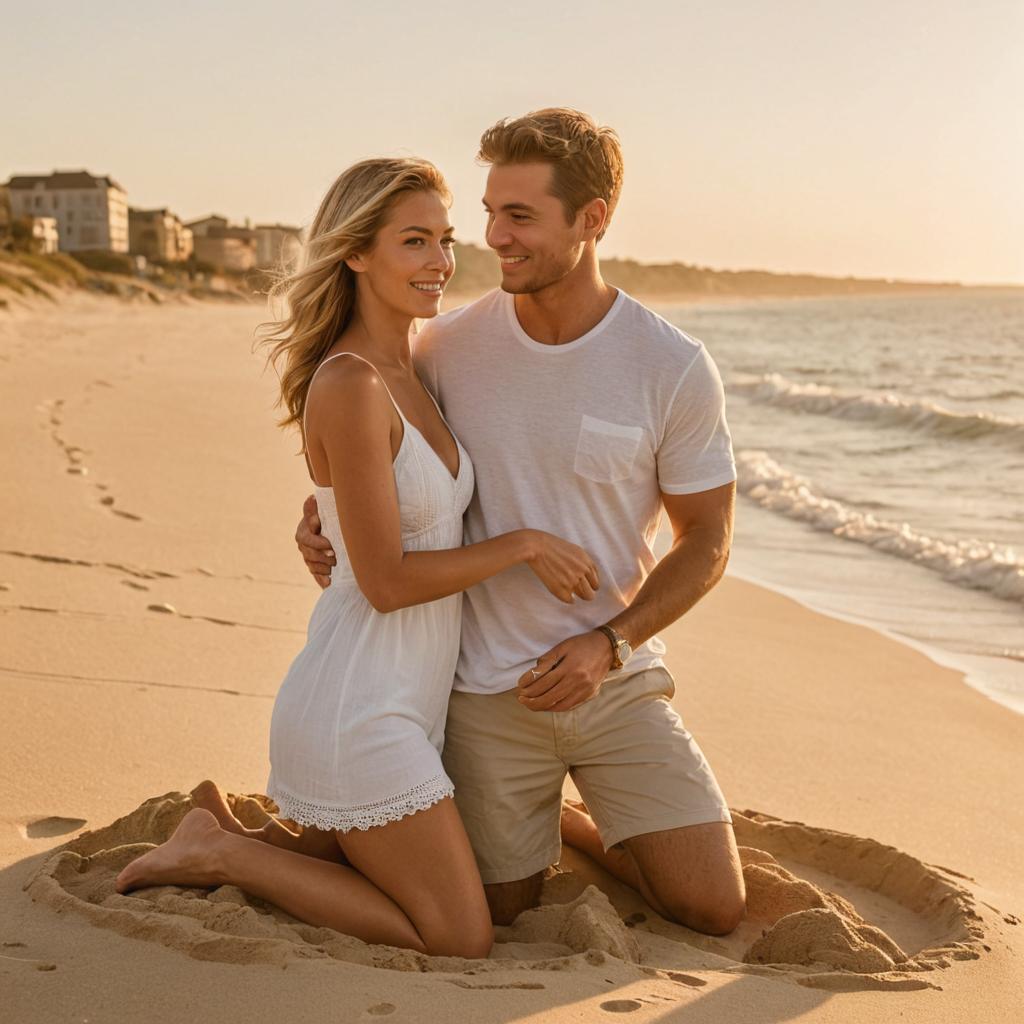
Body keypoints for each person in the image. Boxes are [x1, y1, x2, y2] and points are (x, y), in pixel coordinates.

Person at [115, 157, 601, 958]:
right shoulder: (349, 382)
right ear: (355, 252)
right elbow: (382, 583)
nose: (441, 262)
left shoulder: (415, 368)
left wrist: (324, 522)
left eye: (445, 240)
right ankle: (220, 850)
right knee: (458, 935)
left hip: (409, 700)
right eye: (414, 241)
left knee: (383, 873)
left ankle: (224, 832)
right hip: (359, 707)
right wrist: (519, 546)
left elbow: (381, 510)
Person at [298, 109, 747, 936]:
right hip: (481, 690)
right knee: (500, 912)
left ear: (593, 219)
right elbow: (386, 457)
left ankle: (584, 816)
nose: (493, 239)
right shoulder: (446, 349)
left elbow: (708, 541)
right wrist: (319, 514)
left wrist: (610, 642)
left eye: (521, 217)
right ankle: (552, 819)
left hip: (616, 678)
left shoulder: (671, 366)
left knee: (711, 907)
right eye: (490, 214)